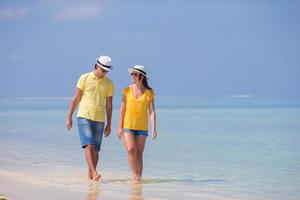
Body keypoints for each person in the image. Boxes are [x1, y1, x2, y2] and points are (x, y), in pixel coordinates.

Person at [66, 55, 114, 181]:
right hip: (84, 116)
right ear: (96, 66)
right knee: (89, 145)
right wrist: (69, 116)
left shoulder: (109, 84)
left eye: (106, 71)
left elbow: (109, 105)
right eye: (103, 70)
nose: (104, 73)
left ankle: (91, 177)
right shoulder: (84, 78)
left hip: (99, 118)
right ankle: (94, 172)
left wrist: (109, 124)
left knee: (96, 150)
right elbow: (76, 98)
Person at [117, 65, 157, 183]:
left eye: (135, 74)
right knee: (130, 149)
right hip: (128, 126)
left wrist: (154, 127)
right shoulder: (127, 90)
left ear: (141, 76)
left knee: (139, 154)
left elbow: (152, 111)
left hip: (142, 128)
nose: (132, 76)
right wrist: (119, 127)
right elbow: (122, 108)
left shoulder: (149, 93)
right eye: (132, 74)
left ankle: (139, 178)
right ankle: (134, 175)